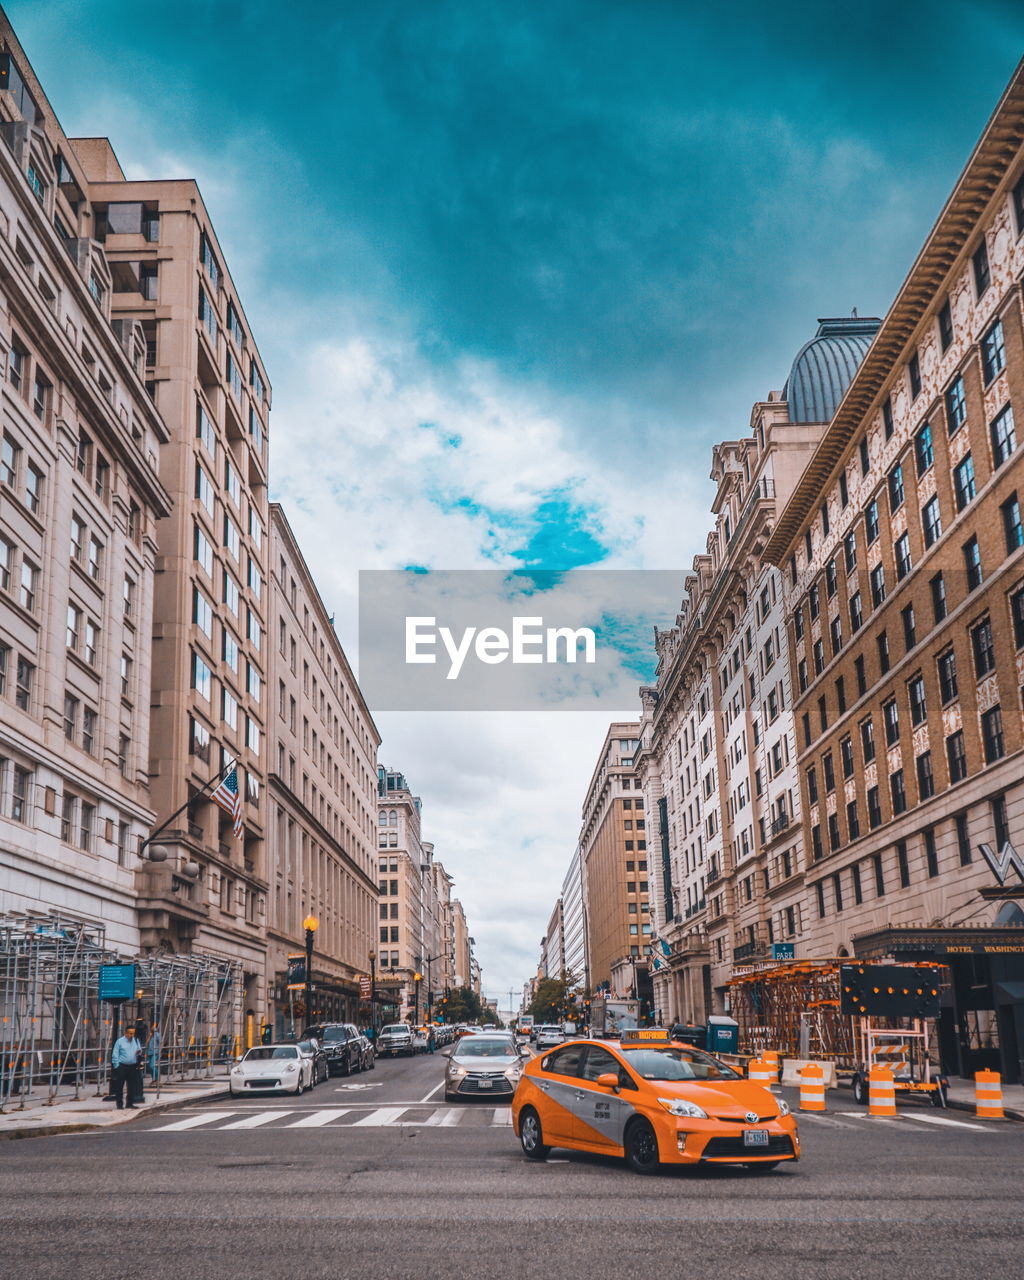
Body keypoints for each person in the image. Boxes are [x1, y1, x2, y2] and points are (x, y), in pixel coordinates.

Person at [111, 1025, 144, 1109]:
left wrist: (138, 1054)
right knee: (119, 1086)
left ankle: (129, 1103)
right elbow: (115, 1054)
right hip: (122, 1066)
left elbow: (139, 1051)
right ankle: (119, 1104)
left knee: (131, 1086)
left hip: (132, 1066)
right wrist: (116, 1066)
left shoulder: (136, 1040)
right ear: (125, 1033)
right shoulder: (119, 1041)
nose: (131, 1035)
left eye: (133, 1033)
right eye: (130, 1033)